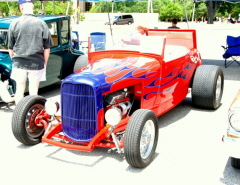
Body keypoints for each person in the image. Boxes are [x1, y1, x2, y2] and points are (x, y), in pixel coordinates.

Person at [8, 0, 53, 105]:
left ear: (21, 7)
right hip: (37, 63)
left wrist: (15, 60)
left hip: (19, 63)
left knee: (19, 90)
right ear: (32, 8)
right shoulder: (42, 23)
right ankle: (32, 114)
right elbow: (47, 48)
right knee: (33, 91)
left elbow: (10, 48)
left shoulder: (14, 23)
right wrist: (44, 63)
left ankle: (19, 116)